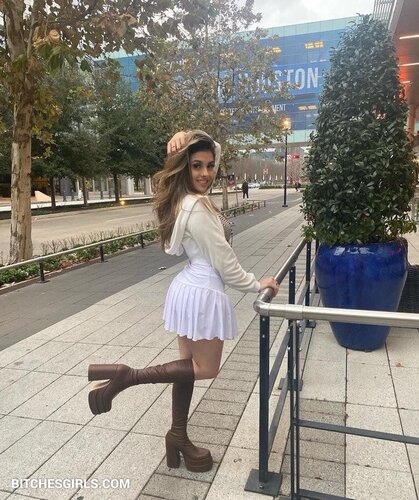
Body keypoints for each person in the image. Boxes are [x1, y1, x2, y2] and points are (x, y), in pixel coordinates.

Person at [86, 130, 279, 473]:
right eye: (196, 165)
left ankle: (177, 435)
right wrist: (256, 284)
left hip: (189, 287)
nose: (206, 172)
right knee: (206, 368)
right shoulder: (198, 207)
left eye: (210, 165)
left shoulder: (184, 199)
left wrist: (185, 137)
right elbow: (225, 263)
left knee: (187, 368)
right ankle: (127, 377)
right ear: (184, 167)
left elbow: (214, 147)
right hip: (203, 292)